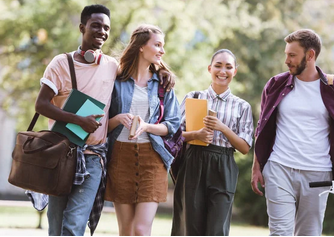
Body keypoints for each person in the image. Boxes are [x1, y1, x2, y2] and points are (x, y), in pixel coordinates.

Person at [32, 5, 174, 236]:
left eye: (106, 28)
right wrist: (78, 120)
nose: (102, 31)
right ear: (82, 27)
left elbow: (139, 69)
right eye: (96, 25)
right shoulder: (60, 63)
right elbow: (41, 105)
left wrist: (162, 71)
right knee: (56, 224)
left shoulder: (110, 66)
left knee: (74, 225)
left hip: (93, 158)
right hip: (61, 154)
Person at [251, 29, 334, 236]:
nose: (286, 60)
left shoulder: (330, 89)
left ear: (310, 55)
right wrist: (256, 165)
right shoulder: (276, 84)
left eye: (292, 55)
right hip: (279, 168)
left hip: (318, 172)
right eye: (286, 54)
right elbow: (262, 126)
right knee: (280, 232)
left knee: (310, 233)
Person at [104, 24, 180, 236]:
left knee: (140, 229)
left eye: (162, 46)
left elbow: (173, 125)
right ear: (140, 47)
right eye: (157, 45)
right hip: (120, 158)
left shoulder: (163, 83)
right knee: (126, 230)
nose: (162, 50)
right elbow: (100, 124)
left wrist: (147, 126)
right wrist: (118, 119)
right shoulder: (116, 80)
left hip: (152, 159)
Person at [171, 49, 254, 236]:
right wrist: (196, 135)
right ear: (210, 68)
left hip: (223, 165)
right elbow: (174, 135)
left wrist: (222, 127)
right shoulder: (194, 97)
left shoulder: (242, 106)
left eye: (228, 67)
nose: (222, 71)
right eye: (218, 65)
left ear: (235, 71)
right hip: (194, 161)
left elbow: (244, 147)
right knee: (189, 225)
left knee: (217, 228)